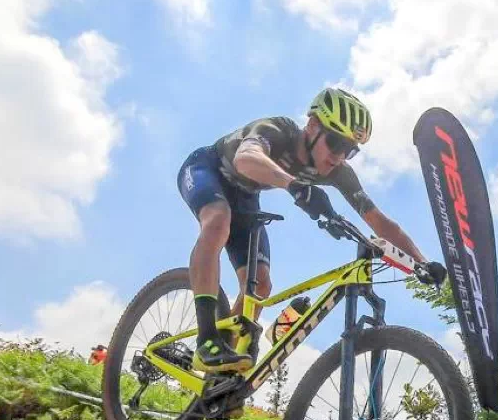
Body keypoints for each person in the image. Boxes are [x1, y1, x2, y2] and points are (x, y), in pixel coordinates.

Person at [176, 87, 446, 372]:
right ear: (313, 126)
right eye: (335, 143)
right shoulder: (278, 131)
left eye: (349, 151)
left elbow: (379, 221)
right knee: (218, 220)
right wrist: (295, 186)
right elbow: (245, 158)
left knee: (261, 284)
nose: (339, 156)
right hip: (207, 169)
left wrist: (420, 262)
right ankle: (206, 340)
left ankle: (223, 365)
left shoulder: (338, 173)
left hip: (245, 197)